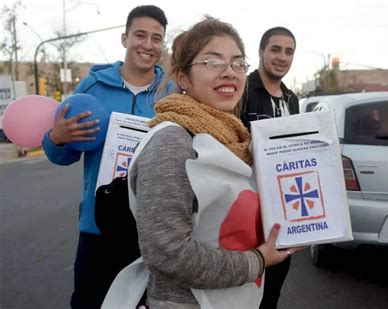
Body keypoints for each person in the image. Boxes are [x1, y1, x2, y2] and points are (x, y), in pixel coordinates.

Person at [129, 17, 295, 308]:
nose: (229, 73)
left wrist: (296, 227)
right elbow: (168, 255)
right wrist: (257, 261)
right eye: (212, 62)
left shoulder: (237, 140)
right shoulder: (173, 142)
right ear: (182, 77)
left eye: (237, 63)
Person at [41, 5, 173, 308]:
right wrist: (56, 139)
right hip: (97, 228)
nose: (148, 45)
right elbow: (63, 156)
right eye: (140, 35)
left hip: (153, 230)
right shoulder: (92, 88)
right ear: (125, 38)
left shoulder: (172, 93)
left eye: (156, 38)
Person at [241, 26, 299, 309]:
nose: (282, 57)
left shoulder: (292, 99)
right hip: (246, 212)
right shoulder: (243, 90)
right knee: (243, 294)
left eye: (289, 51)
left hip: (284, 211)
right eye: (275, 49)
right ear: (261, 52)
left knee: (272, 293)